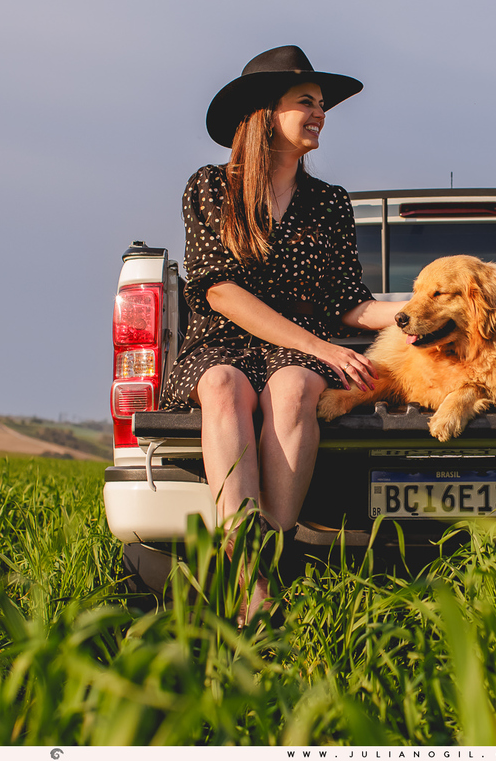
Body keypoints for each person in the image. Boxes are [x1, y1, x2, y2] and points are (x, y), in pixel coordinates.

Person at [160, 45, 403, 618]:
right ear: (266, 113)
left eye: (321, 105)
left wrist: (414, 312)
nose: (320, 113)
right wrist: (320, 347)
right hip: (224, 339)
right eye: (306, 102)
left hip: (297, 355)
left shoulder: (330, 204)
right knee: (222, 385)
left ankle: (266, 559)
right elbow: (218, 290)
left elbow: (349, 302)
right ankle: (248, 573)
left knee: (294, 388)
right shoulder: (210, 187)